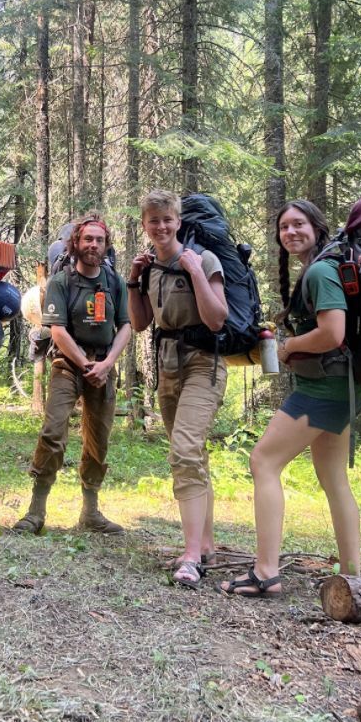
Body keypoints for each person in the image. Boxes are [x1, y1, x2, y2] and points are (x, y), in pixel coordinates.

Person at [222, 199, 361, 597]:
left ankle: (266, 571)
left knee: (263, 460)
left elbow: (332, 333)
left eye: (298, 224)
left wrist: (287, 347)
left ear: (317, 227)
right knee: (334, 478)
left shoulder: (321, 270)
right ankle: (353, 577)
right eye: (284, 227)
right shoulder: (325, 266)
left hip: (325, 386)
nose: (291, 233)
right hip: (342, 386)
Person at [127, 190, 229, 587]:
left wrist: (196, 272)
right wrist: (135, 281)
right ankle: (205, 545)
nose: (161, 227)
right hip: (168, 365)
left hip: (205, 362)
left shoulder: (204, 259)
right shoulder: (150, 268)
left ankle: (190, 557)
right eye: (153, 220)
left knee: (184, 449)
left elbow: (218, 319)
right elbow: (139, 324)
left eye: (167, 219)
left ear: (178, 221)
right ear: (145, 225)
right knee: (194, 455)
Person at [13, 214, 132, 534]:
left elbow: (125, 327)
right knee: (53, 431)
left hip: (104, 366)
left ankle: (90, 513)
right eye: (87, 239)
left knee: (99, 440)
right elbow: (59, 331)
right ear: (75, 244)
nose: (93, 245)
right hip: (67, 365)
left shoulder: (115, 283)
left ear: (106, 246)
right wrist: (85, 364)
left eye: (99, 240)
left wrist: (106, 365)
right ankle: (36, 511)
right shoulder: (61, 282)